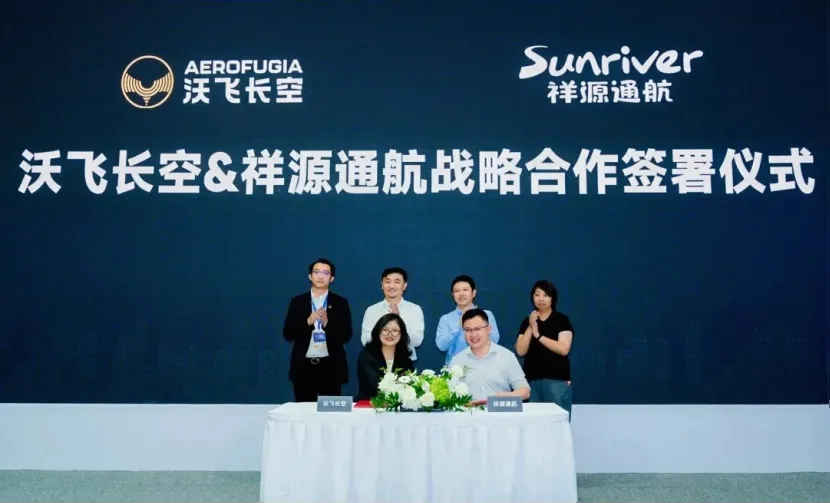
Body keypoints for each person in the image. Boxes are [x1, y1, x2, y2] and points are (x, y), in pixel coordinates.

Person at [282, 258, 353, 402]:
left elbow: (346, 335)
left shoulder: (340, 303)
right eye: (317, 272)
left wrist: (327, 323)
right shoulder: (298, 302)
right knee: (304, 411)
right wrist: (308, 321)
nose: (321, 276)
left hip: (331, 368)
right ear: (310, 276)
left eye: (325, 273)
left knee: (330, 412)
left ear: (331, 278)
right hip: (304, 367)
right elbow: (288, 334)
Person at [515, 280, 574, 420]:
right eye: (537, 295)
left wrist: (538, 336)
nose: (541, 299)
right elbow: (520, 351)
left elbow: (564, 349)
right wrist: (531, 327)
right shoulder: (527, 322)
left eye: (546, 295)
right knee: (532, 424)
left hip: (556, 380)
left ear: (552, 298)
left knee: (557, 423)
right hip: (531, 380)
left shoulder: (561, 320)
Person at [449, 308, 530, 402]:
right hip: (468, 410)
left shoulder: (506, 356)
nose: (473, 334)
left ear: (489, 329)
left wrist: (507, 396)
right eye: (468, 330)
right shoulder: (457, 360)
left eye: (477, 329)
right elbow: (448, 392)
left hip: (498, 410)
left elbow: (524, 390)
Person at [360, 267, 425, 361]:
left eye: (397, 282)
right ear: (382, 285)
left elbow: (417, 341)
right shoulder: (372, 310)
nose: (391, 286)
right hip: (376, 361)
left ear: (404, 286)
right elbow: (365, 340)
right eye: (387, 282)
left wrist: (398, 321)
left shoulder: (414, 309)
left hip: (405, 361)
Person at [435, 275, 501, 366]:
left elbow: (495, 340)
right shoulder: (446, 319)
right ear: (453, 295)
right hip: (455, 369)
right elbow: (441, 346)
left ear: (473, 293)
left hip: (484, 365)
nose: (461, 294)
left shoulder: (487, 315)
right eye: (457, 291)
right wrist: (459, 326)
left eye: (465, 290)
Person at [355, 313, 415, 401]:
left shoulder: (406, 361)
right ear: (378, 332)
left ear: (401, 334)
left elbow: (410, 386)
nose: (389, 334)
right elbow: (374, 385)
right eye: (385, 330)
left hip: (397, 405)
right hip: (369, 405)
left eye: (395, 330)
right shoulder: (366, 357)